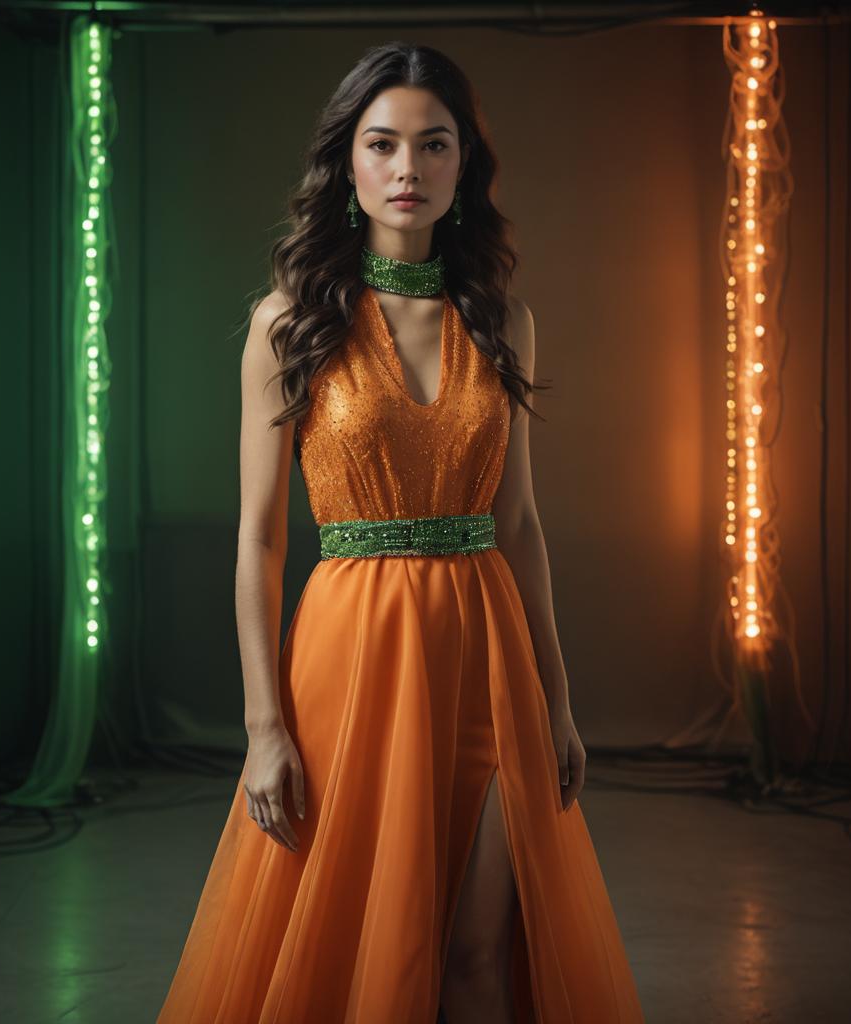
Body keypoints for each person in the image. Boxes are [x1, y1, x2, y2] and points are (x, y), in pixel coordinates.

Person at [156, 40, 646, 1024]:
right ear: (347, 163)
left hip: (487, 654)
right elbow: (257, 539)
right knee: (368, 941)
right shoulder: (288, 323)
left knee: (475, 951)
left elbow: (523, 528)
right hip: (352, 656)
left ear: (464, 166)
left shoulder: (505, 320)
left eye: (433, 145)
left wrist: (557, 700)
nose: (407, 169)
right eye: (381, 145)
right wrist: (261, 728)